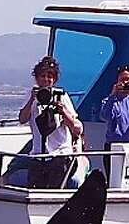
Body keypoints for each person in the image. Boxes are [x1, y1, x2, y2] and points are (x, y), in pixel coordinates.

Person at [10, 56, 83, 189]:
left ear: (54, 79)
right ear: (37, 78)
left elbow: (76, 128)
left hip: (59, 156)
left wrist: (63, 111)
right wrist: (32, 99)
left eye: (50, 76)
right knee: (35, 189)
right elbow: (22, 119)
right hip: (38, 156)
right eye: (42, 76)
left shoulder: (62, 96)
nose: (46, 79)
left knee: (53, 190)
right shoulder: (32, 95)